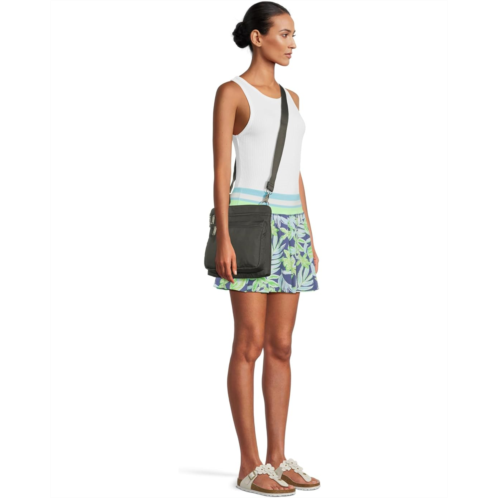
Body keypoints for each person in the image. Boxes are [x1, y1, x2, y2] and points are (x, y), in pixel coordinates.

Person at [211, 2, 320, 495]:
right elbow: (220, 171)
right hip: (250, 225)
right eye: (284, 33)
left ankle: (278, 457)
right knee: (248, 344)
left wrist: (310, 235)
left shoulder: (293, 98)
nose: (292, 43)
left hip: (291, 228)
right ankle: (249, 463)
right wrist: (225, 236)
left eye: (294, 35)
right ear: (258, 37)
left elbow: (295, 170)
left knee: (282, 346)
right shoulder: (231, 92)